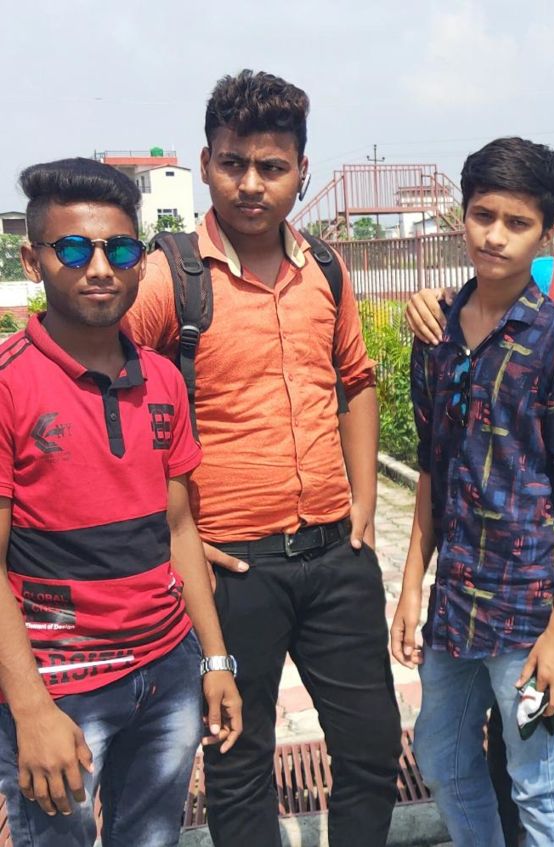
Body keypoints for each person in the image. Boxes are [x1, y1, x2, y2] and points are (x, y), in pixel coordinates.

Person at [124, 69, 401, 847]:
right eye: (233, 163)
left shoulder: (327, 269)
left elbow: (356, 381)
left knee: (373, 745)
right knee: (239, 758)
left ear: (301, 171)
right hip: (232, 567)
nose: (251, 184)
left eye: (272, 167)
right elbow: (108, 398)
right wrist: (170, 534)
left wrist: (365, 502)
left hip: (336, 555)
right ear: (205, 162)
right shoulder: (168, 278)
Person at [405, 123, 554, 847]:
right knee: (442, 754)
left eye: (517, 222)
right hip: (455, 601)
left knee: (542, 777)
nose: (496, 235)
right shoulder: (437, 337)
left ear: (546, 232)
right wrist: (411, 584)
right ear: (462, 215)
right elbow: (431, 466)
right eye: (484, 215)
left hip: (530, 606)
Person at [0, 158, 241, 847]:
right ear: (33, 260)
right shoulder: (9, 385)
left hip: (167, 671)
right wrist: (31, 709)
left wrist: (214, 660)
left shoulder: (162, 379)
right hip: (61, 685)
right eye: (74, 249)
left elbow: (179, 527)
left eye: (121, 250)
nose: (100, 268)